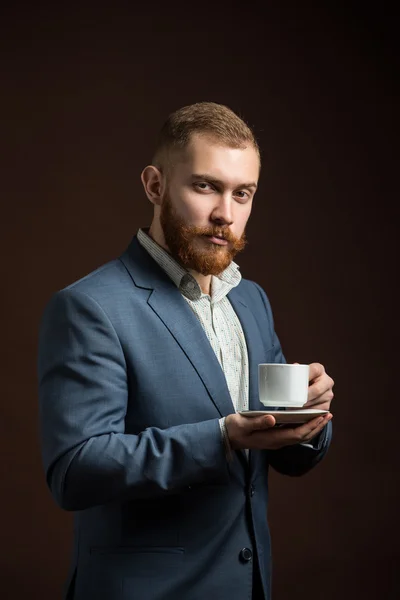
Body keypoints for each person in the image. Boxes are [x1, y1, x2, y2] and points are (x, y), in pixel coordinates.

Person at [37, 101, 334, 600]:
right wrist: (222, 437)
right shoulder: (89, 306)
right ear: (154, 186)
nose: (225, 213)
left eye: (243, 193)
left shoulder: (250, 298)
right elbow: (75, 471)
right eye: (205, 186)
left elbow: (280, 454)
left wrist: (310, 421)